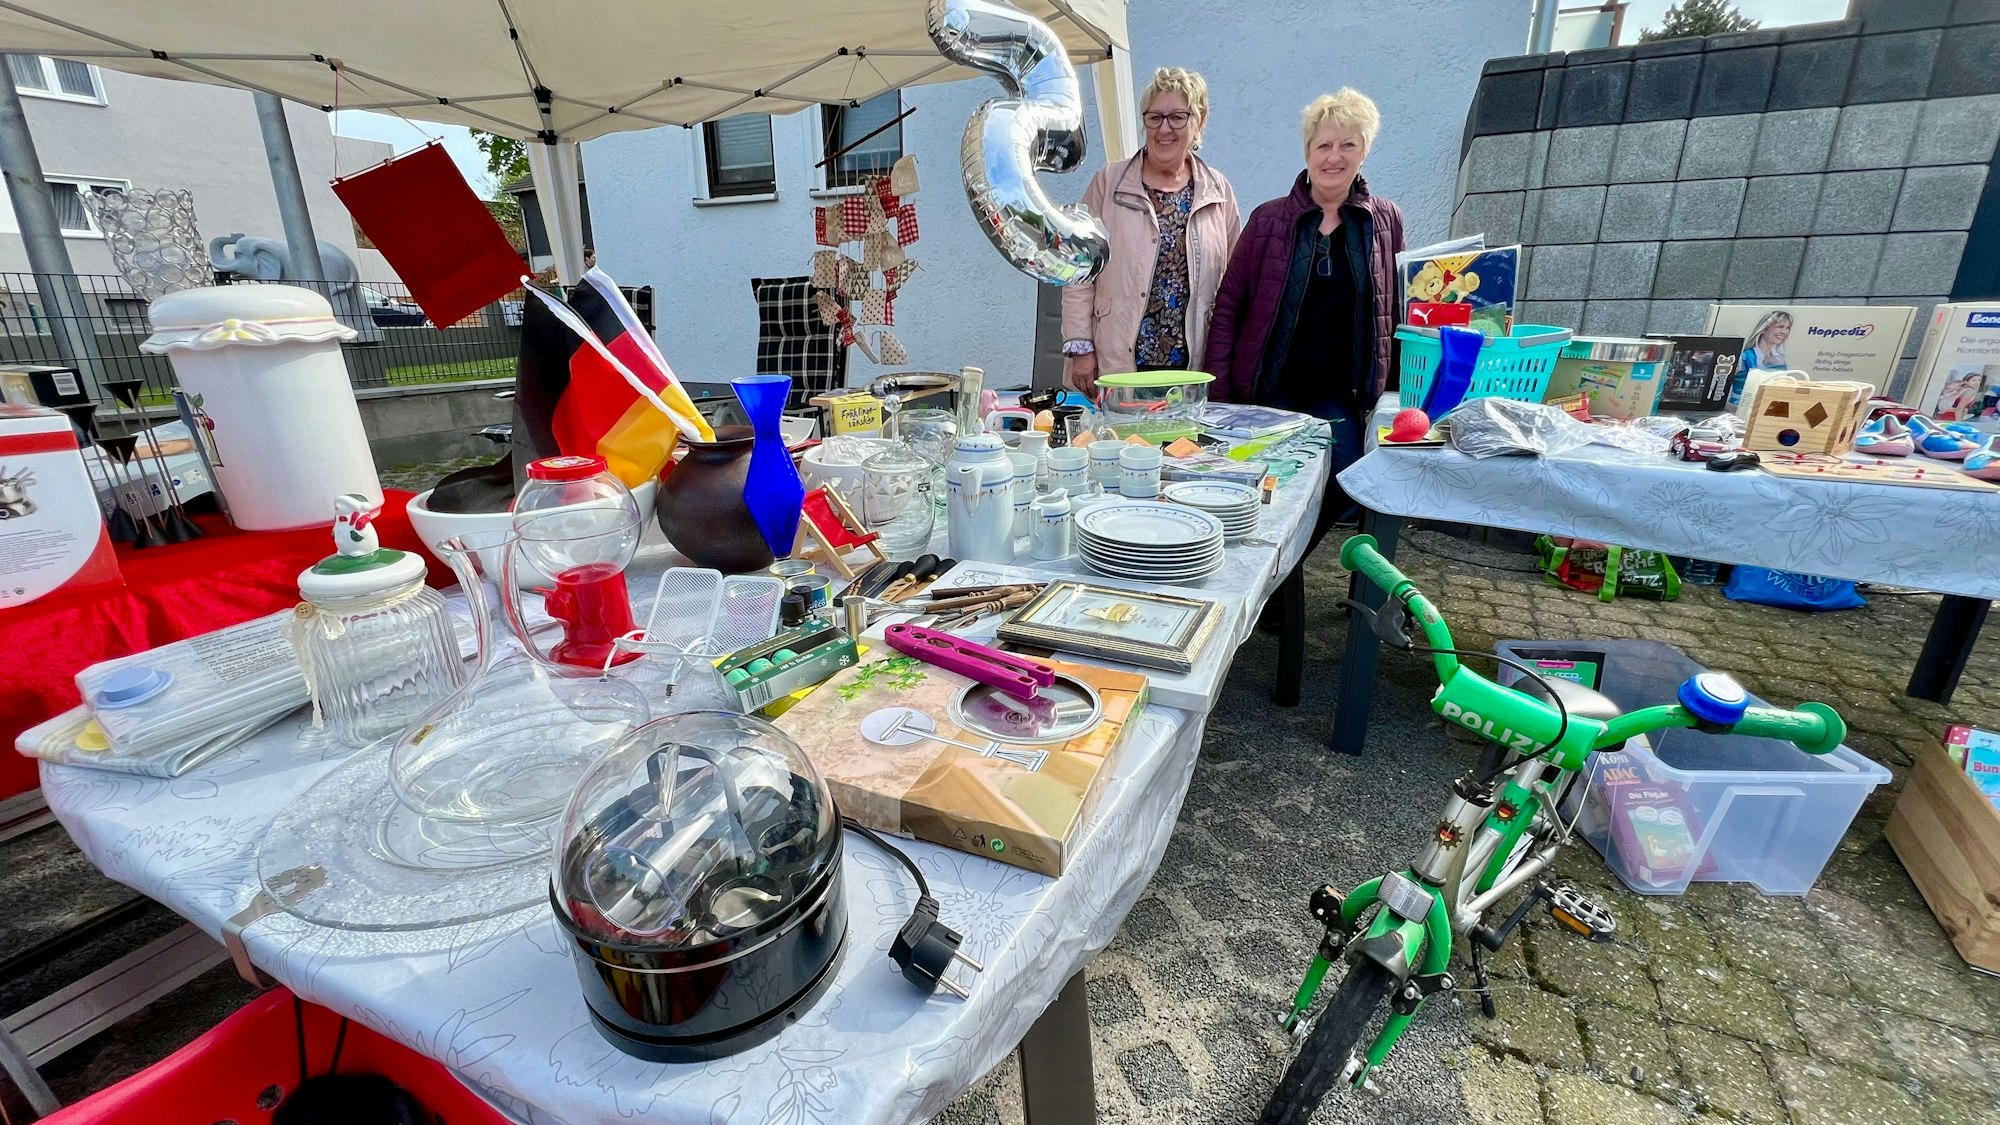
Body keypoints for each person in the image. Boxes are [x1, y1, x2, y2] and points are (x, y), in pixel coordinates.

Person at [1207, 88, 1405, 535]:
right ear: (1308, 152)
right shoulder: (1268, 220)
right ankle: (1274, 584)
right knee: (1264, 488)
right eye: (1324, 145)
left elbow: (1395, 313)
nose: (1334, 156)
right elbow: (1229, 307)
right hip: (1269, 388)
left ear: (1364, 151)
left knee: (1348, 483)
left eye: (1347, 144)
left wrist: (1392, 392)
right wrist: (1219, 397)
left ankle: (1289, 563)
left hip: (1337, 394)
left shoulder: (1386, 219)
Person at [1061, 67, 1241, 397]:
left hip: (1191, 370)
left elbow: (1233, 286)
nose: (1164, 129)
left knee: (1184, 449)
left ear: (1199, 122)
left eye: (1177, 117)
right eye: (1155, 117)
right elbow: (1078, 269)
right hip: (1118, 364)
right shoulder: (1108, 184)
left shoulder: (1219, 193)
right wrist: (1080, 347)